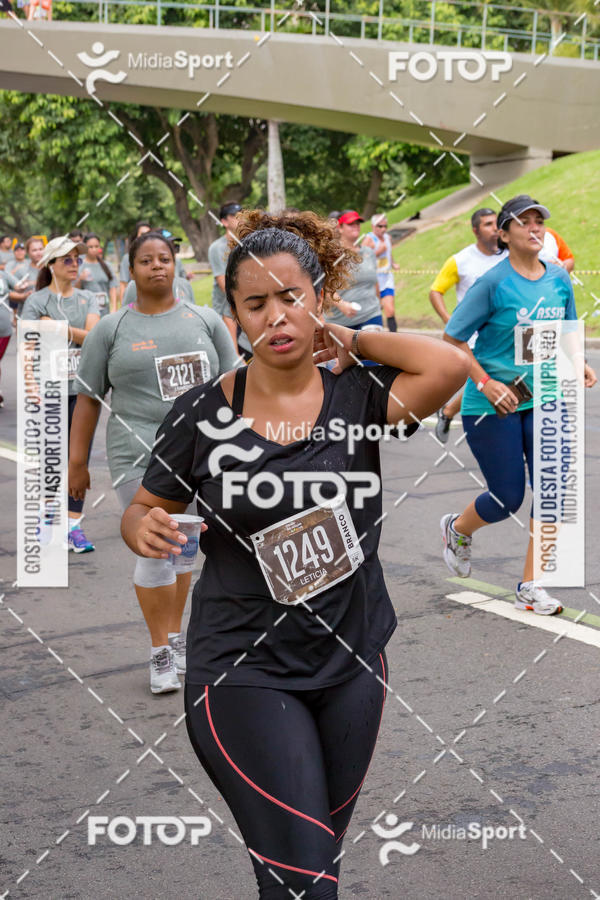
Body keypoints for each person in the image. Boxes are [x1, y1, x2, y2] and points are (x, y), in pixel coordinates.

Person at [120, 210, 470, 897]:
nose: (276, 316)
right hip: (243, 673)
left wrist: (353, 337)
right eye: (256, 303)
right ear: (235, 317)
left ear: (318, 298)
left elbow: (451, 364)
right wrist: (145, 531)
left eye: (292, 297)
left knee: (303, 873)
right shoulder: (201, 414)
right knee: (309, 884)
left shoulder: (359, 394)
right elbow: (143, 508)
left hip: (352, 665)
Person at [69, 231, 241, 695]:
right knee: (160, 545)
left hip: (200, 455)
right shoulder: (111, 329)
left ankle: (177, 636)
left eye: (164, 258)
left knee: (183, 549)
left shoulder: (206, 321)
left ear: (176, 264)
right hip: (136, 455)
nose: (157, 267)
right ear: (132, 269)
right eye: (146, 260)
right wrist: (77, 464)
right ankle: (159, 650)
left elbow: (237, 386)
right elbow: (86, 399)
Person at [441, 195, 596, 615]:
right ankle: (457, 529)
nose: (534, 228)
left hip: (543, 396)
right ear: (504, 234)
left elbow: (565, 326)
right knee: (507, 496)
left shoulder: (558, 278)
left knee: (551, 490)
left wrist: (577, 359)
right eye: (522, 222)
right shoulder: (492, 283)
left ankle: (532, 585)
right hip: (492, 405)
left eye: (539, 222)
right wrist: (486, 382)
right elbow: (453, 341)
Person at [21, 234, 101, 551]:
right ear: (51, 265)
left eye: (77, 258)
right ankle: (48, 522)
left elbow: (93, 339)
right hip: (49, 391)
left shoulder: (87, 298)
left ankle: (73, 527)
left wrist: (57, 328)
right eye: (66, 259)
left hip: (82, 392)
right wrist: (29, 384)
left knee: (77, 461)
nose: (74, 263)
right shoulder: (36, 301)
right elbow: (28, 349)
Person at [430, 208, 508, 443]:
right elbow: (436, 291)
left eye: (496, 223)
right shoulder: (460, 260)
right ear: (475, 230)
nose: (494, 228)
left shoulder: (508, 256)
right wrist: (451, 321)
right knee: (486, 381)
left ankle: (448, 412)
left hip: (503, 336)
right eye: (487, 224)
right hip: (471, 338)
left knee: (488, 383)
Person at [208, 202, 252, 360]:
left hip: (246, 305)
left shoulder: (249, 243)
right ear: (224, 221)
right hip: (226, 310)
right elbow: (224, 285)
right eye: (234, 216)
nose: (240, 219)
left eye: (242, 215)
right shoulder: (217, 248)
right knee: (232, 358)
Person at [363, 213, 399, 333]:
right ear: (373, 226)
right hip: (374, 281)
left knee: (390, 310)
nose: (383, 229)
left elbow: (388, 253)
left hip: (387, 278)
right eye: (380, 226)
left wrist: (393, 263)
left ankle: (395, 339)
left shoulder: (388, 238)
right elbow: (362, 259)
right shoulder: (369, 239)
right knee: (376, 312)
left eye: (385, 226)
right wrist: (378, 251)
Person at [77, 233, 119, 316]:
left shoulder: (106, 266)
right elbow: (75, 291)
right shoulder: (79, 266)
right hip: (87, 312)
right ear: (85, 247)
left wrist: (114, 308)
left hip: (105, 312)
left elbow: (112, 288)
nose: (94, 249)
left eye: (96, 246)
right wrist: (80, 279)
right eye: (90, 247)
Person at [119, 221, 151, 300]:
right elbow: (123, 285)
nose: (146, 237)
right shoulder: (127, 258)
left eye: (148, 234)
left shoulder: (156, 258)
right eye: (142, 234)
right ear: (136, 236)